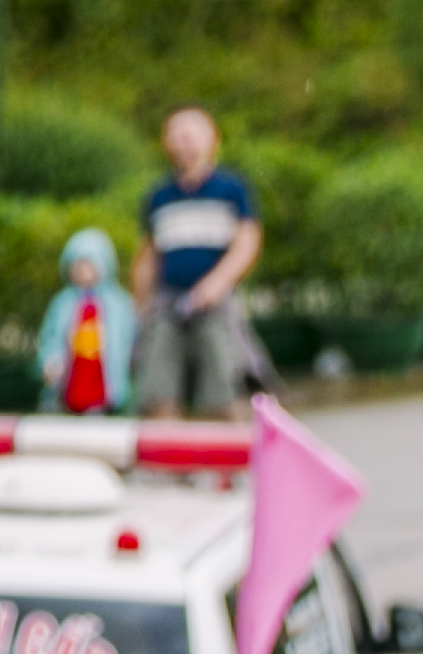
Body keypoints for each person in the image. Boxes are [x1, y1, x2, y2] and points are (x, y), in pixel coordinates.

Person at [131, 107, 262, 423]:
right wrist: (140, 305)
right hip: (168, 304)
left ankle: (227, 466)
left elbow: (247, 241)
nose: (183, 143)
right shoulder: (159, 196)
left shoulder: (232, 189)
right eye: (176, 136)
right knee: (157, 393)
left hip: (214, 306)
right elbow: (149, 254)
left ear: (211, 140)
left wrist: (217, 283)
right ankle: (170, 467)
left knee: (223, 392)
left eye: (190, 135)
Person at [34, 226, 135, 417]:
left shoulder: (118, 303)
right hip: (72, 372)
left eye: (89, 265)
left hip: (100, 374)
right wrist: (50, 360)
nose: (82, 271)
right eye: (77, 266)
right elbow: (51, 336)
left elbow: (128, 337)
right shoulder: (63, 303)